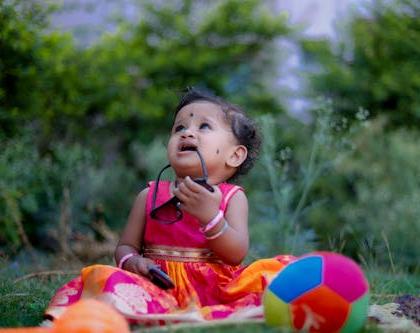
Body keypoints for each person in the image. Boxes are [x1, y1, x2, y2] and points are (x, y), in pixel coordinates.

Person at [45, 88, 295, 325]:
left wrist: (211, 217)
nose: (187, 133)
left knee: (280, 274)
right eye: (179, 128)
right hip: (156, 287)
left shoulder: (232, 197)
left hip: (215, 290)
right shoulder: (150, 195)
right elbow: (125, 246)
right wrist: (132, 261)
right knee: (103, 276)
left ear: (234, 156)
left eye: (204, 126)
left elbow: (236, 254)